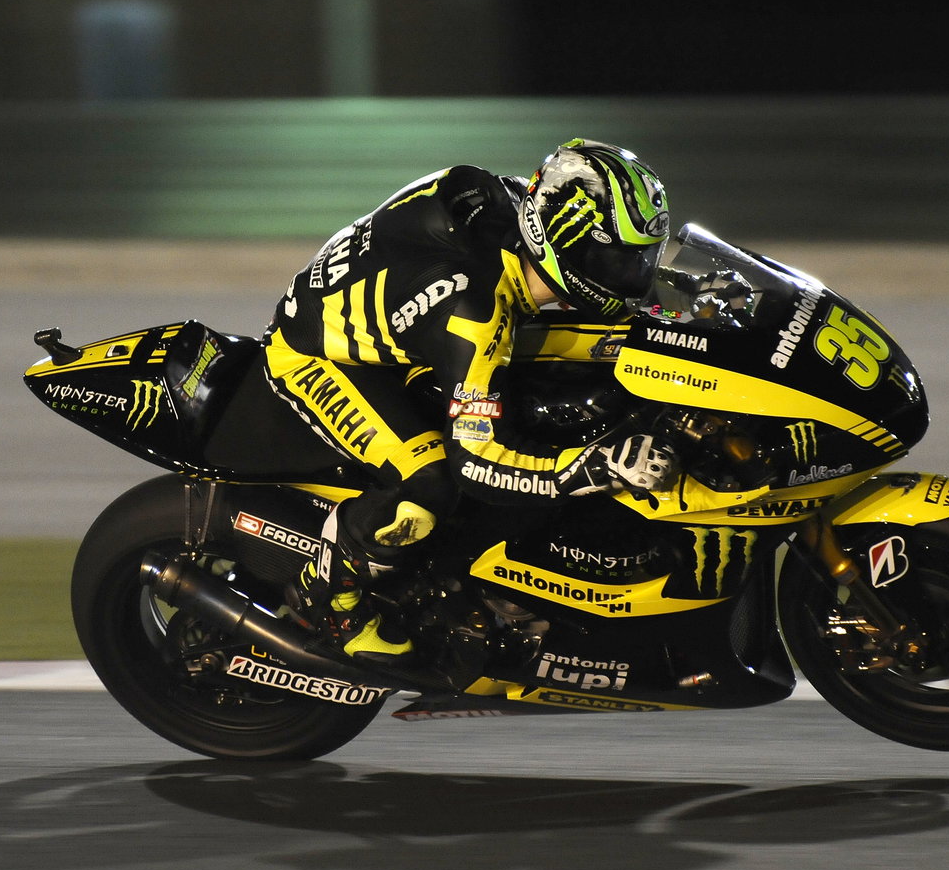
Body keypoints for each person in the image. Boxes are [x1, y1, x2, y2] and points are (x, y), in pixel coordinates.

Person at [263, 138, 678, 663]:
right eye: (616, 258)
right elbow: (478, 463)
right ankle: (327, 596)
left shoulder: (520, 210)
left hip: (405, 320)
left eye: (644, 256)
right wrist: (588, 469)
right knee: (429, 482)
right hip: (315, 356)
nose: (633, 275)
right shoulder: (474, 314)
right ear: (564, 243)